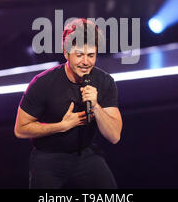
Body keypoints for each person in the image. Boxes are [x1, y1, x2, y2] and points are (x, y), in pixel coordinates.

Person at [14, 18, 122, 189]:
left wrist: (96, 106)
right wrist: (62, 126)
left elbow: (114, 136)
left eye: (91, 55)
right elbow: (20, 130)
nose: (86, 62)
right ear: (66, 53)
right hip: (47, 157)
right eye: (79, 55)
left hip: (85, 154)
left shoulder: (104, 82)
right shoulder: (43, 83)